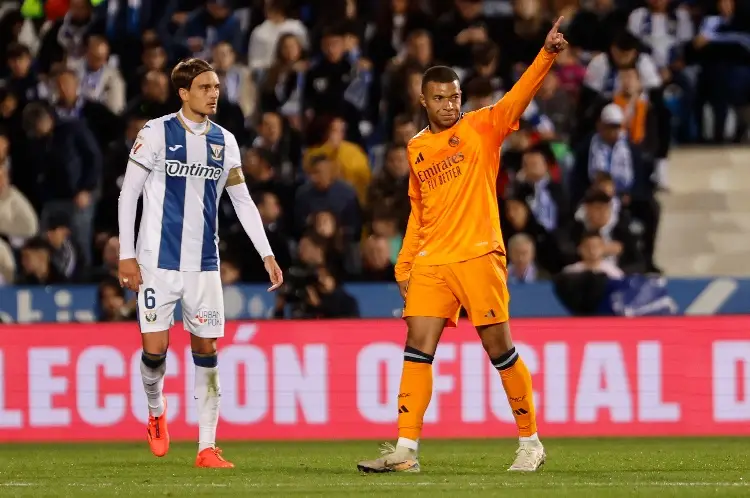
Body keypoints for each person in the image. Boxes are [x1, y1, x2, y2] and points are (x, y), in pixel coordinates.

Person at [356, 17, 569, 474]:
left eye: (454, 96)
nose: (450, 104)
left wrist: (546, 54)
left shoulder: (482, 127)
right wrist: (404, 267)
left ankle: (530, 442)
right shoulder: (415, 148)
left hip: (479, 253)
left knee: (500, 349)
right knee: (417, 346)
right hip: (433, 260)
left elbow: (518, 95)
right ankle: (405, 450)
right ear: (423, 101)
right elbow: (419, 212)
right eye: (441, 98)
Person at [117, 58, 284, 468]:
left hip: (205, 265)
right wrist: (126, 254)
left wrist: (266, 252)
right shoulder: (155, 133)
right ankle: (156, 411)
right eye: (206, 87)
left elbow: (242, 200)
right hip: (156, 263)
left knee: (206, 349)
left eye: (216, 86)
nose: (214, 93)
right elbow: (129, 195)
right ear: (184, 93)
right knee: (154, 353)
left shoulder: (225, 141)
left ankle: (206, 447)